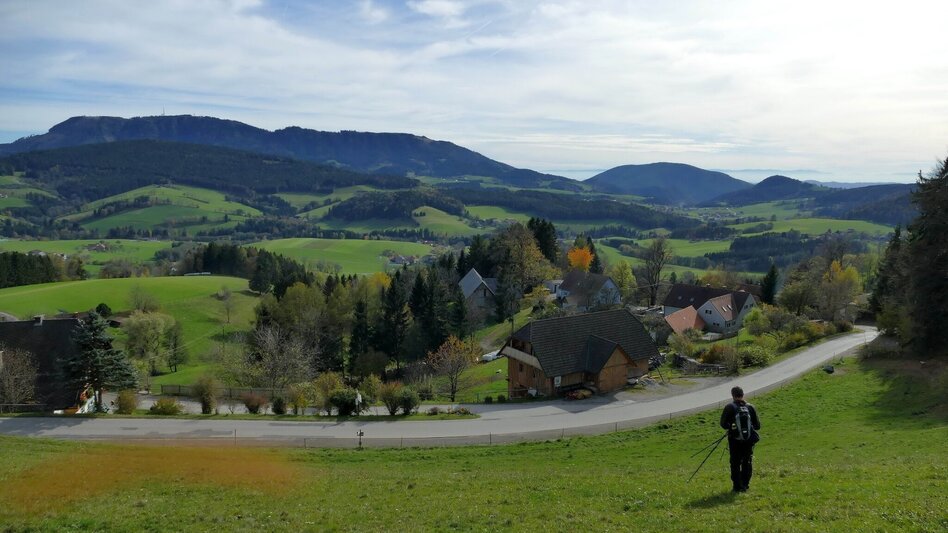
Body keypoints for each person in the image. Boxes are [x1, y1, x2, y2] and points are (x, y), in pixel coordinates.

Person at [719, 386, 760, 492]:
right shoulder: (750, 407)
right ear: (743, 394)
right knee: (747, 461)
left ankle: (737, 486)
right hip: (748, 440)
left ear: (732, 395)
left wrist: (733, 428)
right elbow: (757, 426)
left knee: (735, 462)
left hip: (734, 440)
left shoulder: (729, 407)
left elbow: (723, 424)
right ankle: (745, 484)